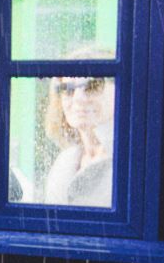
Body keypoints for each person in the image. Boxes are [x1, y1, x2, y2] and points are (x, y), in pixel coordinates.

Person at [42, 74, 115, 207]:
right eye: (67, 89)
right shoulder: (64, 162)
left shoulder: (132, 161)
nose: (78, 98)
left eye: (92, 86)